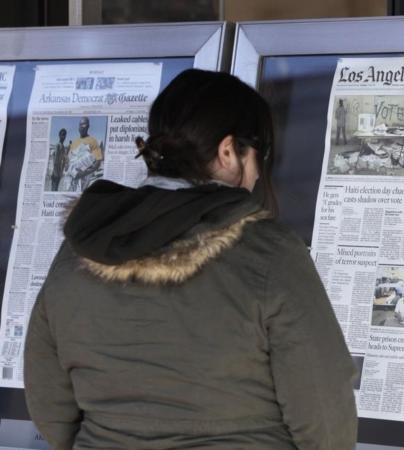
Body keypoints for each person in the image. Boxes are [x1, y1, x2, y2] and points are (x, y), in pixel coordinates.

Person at [24, 69, 357, 450]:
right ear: (229, 151)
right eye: (259, 154)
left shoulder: (80, 247)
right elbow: (324, 411)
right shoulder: (270, 253)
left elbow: (49, 403)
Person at [68, 116, 103, 191]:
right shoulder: (74, 142)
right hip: (72, 180)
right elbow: (70, 160)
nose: (82, 127)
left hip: (85, 181)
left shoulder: (93, 141)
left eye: (84, 124)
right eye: (80, 125)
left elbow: (98, 162)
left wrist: (84, 173)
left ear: (88, 126)